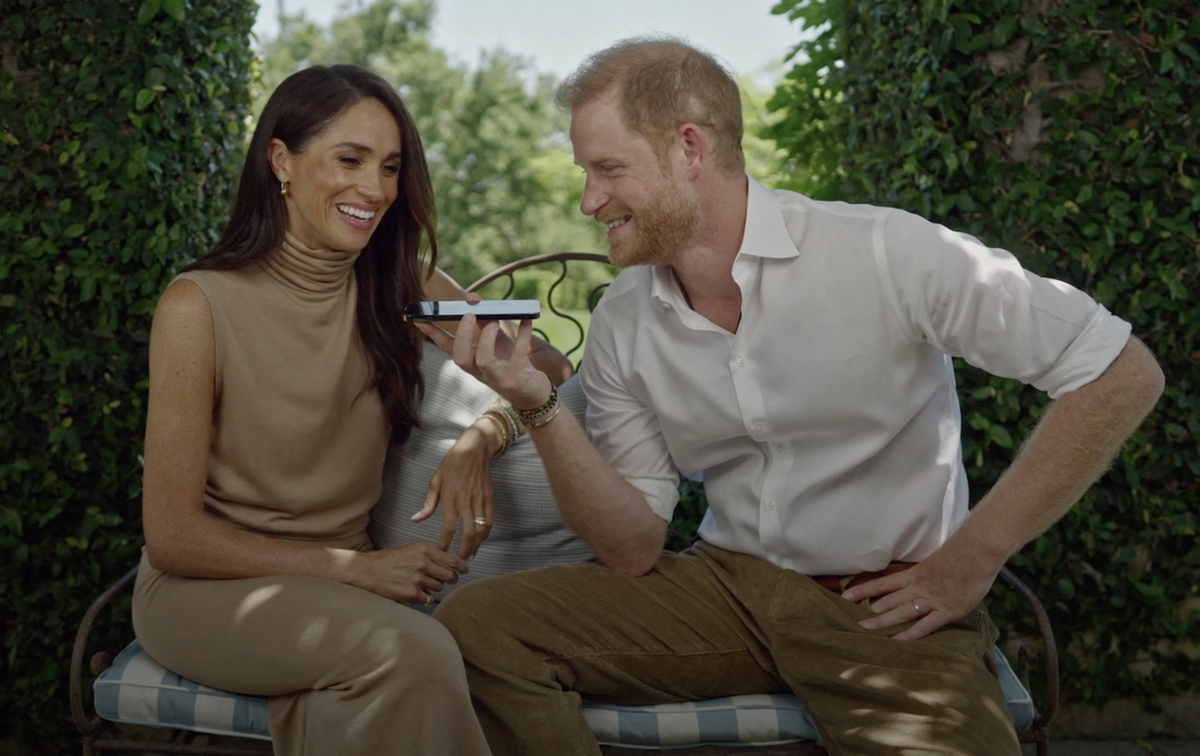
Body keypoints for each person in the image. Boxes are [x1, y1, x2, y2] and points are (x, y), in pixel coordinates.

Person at [419, 37, 1165, 755]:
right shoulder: (624, 318)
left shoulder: (885, 253)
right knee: (479, 626)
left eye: (608, 169)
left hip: (884, 610)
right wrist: (535, 401)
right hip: (724, 590)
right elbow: (631, 546)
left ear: (689, 149)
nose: (589, 201)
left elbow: (1119, 371)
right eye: (586, 173)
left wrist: (974, 556)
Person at [133, 64, 500, 755]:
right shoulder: (197, 307)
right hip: (203, 590)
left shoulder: (401, 284)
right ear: (281, 161)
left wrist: (484, 431)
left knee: (411, 664)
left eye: (389, 167)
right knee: (413, 651)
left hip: (340, 590)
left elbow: (549, 371)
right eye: (350, 160)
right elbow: (172, 537)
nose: (376, 189)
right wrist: (357, 571)